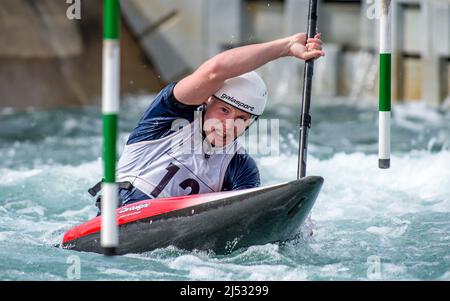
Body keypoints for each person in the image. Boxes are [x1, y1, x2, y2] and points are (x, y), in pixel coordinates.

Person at [91, 33, 324, 213]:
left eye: (241, 119)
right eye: (224, 110)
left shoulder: (240, 167)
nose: (228, 125)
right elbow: (215, 70)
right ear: (207, 100)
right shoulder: (166, 116)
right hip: (120, 216)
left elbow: (247, 221)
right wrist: (286, 46)